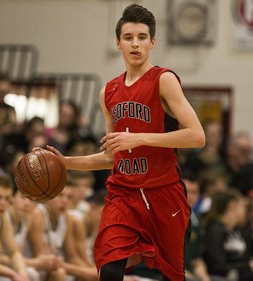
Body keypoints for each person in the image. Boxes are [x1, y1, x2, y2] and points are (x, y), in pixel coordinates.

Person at [44, 4, 205, 281]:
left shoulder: (163, 80)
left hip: (163, 192)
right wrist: (66, 163)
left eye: (142, 37)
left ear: (153, 42)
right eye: (128, 37)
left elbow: (197, 136)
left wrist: (139, 138)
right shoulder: (108, 91)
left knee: (171, 276)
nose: (135, 43)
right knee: (109, 269)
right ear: (117, 43)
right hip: (123, 195)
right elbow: (111, 156)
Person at [203, 189, 253, 281]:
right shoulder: (215, 230)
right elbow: (217, 266)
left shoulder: (236, 230)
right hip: (221, 277)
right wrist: (246, 266)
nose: (245, 211)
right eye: (243, 207)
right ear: (232, 205)